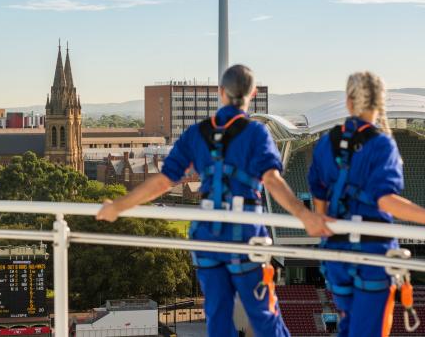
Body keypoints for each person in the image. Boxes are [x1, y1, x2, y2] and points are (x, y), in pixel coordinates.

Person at [97, 64, 333, 337]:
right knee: (264, 316)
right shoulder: (256, 134)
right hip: (244, 234)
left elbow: (162, 181)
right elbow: (272, 181)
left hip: (208, 234)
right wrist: (305, 217)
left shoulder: (198, 133)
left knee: (218, 319)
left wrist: (118, 207)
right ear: (252, 94)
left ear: (221, 93)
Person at [308, 71, 425, 337]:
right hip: (372, 252)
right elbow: (387, 200)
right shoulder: (382, 145)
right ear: (380, 103)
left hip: (336, 252)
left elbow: (319, 199)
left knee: (349, 324)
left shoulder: (326, 143)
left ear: (349, 102)